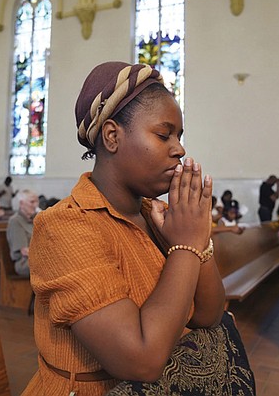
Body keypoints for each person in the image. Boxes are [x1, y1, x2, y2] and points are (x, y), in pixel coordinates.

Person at [23, 62, 255, 395]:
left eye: (179, 136)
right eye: (164, 134)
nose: (179, 148)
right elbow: (141, 359)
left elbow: (209, 314)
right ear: (113, 136)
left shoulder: (155, 215)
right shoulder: (64, 227)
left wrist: (195, 239)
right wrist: (187, 244)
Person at [6, 189, 39, 277]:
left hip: (38, 259)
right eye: (32, 202)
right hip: (24, 262)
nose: (35, 205)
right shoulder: (15, 221)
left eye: (36, 201)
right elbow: (24, 251)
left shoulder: (36, 218)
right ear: (21, 203)